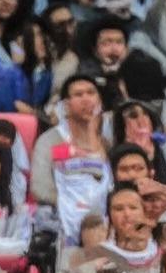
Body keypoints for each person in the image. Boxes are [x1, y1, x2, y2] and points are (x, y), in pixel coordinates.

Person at [31, 75, 109, 245]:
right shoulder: (50, 141)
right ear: (66, 105)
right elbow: (40, 188)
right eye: (78, 94)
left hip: (103, 223)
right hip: (60, 222)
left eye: (91, 93)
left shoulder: (107, 143)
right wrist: (75, 207)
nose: (86, 99)